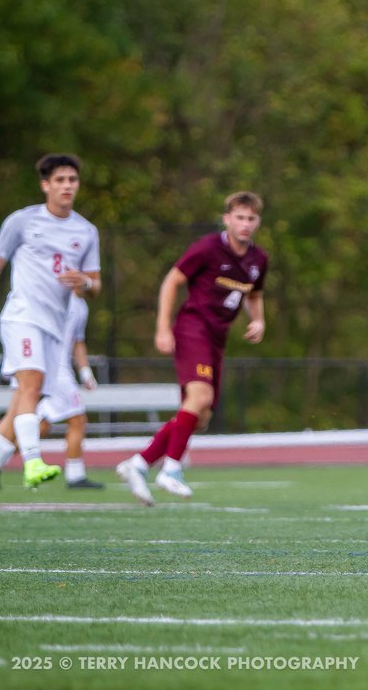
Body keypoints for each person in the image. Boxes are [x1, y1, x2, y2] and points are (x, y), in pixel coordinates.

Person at [116, 192, 268, 505]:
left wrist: (259, 320)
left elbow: (254, 295)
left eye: (251, 218)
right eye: (239, 217)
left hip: (217, 339)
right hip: (192, 328)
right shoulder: (208, 248)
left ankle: (140, 463)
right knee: (200, 397)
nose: (245, 224)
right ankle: (171, 469)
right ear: (227, 219)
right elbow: (171, 281)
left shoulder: (258, 260)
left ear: (257, 222)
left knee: (200, 416)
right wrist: (162, 327)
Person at [0, 153, 101, 514]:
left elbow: (95, 285)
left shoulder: (86, 231)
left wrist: (83, 281)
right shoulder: (21, 221)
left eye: (73, 180)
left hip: (56, 331)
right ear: (45, 185)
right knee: (31, 387)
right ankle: (33, 461)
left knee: (21, 404)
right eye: (60, 180)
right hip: (22, 317)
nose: (68, 186)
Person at [0, 293, 104, 490]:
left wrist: (85, 372)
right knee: (77, 419)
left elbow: (77, 341)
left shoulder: (80, 306)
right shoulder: (47, 296)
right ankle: (74, 476)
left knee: (39, 424)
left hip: (60, 368)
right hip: (49, 368)